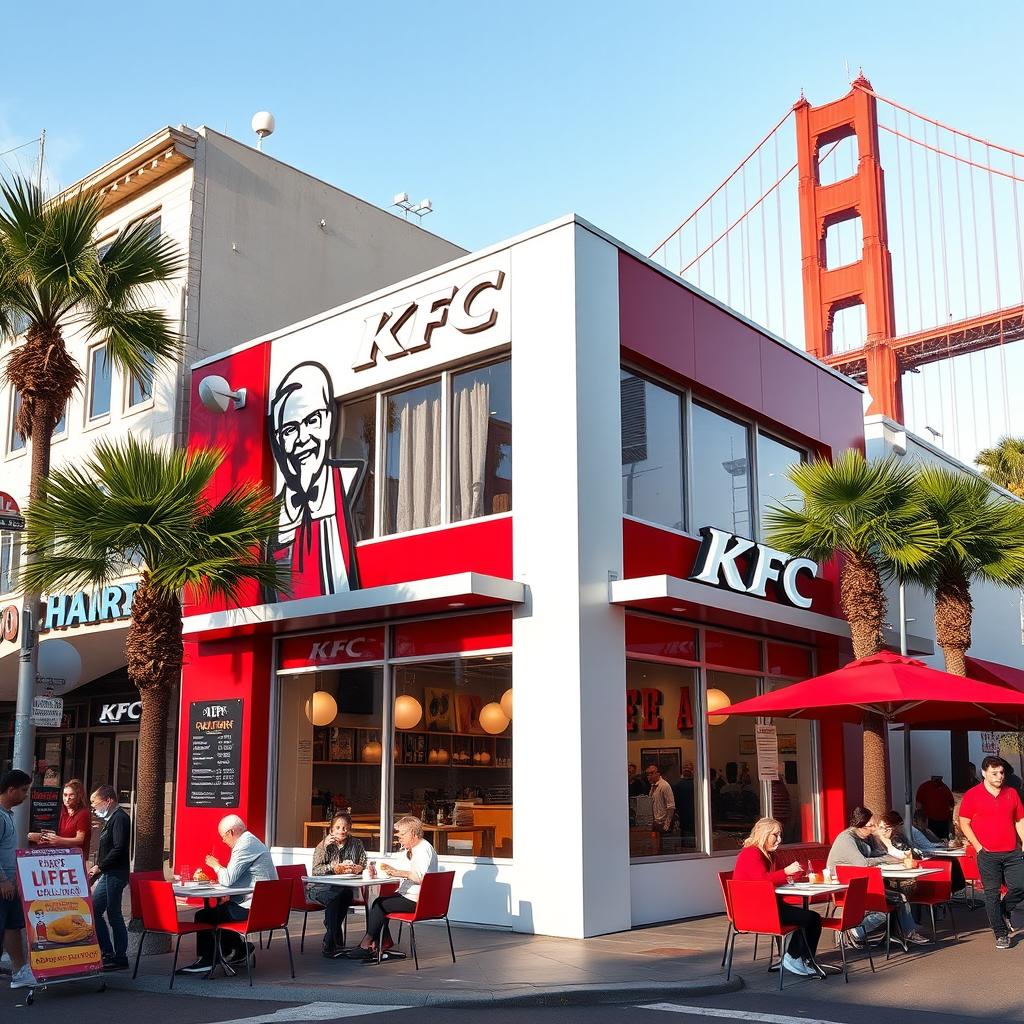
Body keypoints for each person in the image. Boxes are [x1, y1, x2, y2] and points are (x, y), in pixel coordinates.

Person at [269, 361, 367, 599]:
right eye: (290, 430)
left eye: (312, 420)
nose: (302, 438)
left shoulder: (347, 478)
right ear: (279, 440)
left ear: (328, 421)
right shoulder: (271, 514)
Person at [178, 814, 278, 973]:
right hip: (268, 907)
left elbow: (228, 879)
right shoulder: (252, 841)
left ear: (231, 832)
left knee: (205, 916)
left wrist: (216, 865)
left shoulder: (244, 845)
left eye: (223, 836)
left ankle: (207, 960)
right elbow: (241, 879)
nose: (223, 841)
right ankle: (240, 950)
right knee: (221, 911)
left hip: (257, 910)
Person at [826, 806, 929, 946]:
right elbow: (863, 863)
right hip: (846, 888)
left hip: (862, 883)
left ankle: (902, 932)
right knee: (894, 900)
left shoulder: (865, 838)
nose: (873, 829)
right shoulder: (846, 839)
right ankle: (857, 931)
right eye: (870, 826)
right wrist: (888, 859)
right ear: (860, 825)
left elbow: (879, 853)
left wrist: (892, 854)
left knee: (897, 897)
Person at [733, 817, 820, 977]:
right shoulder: (751, 853)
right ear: (763, 835)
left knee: (810, 918)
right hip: (755, 911)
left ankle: (802, 959)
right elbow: (763, 880)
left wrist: (794, 874)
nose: (779, 839)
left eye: (780, 835)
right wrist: (786, 872)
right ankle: (794, 957)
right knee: (810, 919)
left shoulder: (769, 854)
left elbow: (776, 877)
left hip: (768, 905)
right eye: (775, 835)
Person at [347, 816, 438, 960]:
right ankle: (381, 942)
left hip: (418, 901)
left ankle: (367, 944)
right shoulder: (415, 849)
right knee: (379, 903)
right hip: (414, 897)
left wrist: (398, 873)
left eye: (402, 834)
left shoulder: (422, 850)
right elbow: (405, 870)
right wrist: (387, 871)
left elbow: (420, 877)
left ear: (413, 834)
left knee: (379, 905)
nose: (399, 838)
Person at [957, 755, 1024, 949]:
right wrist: (978, 847)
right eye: (994, 773)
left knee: (1020, 886)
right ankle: (1000, 933)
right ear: (984, 773)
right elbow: (964, 822)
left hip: (1012, 851)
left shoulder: (1011, 793)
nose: (999, 776)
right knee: (991, 894)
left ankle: (1002, 910)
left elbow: (1019, 819)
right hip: (987, 853)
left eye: (1001, 772)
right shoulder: (973, 795)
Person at [306, 812, 367, 957]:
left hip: (345, 887)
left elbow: (363, 864)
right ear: (331, 830)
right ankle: (332, 935)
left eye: (345, 827)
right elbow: (316, 871)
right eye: (338, 827)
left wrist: (358, 868)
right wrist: (334, 868)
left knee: (345, 894)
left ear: (350, 828)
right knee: (335, 897)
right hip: (321, 888)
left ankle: (331, 931)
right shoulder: (324, 845)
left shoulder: (356, 843)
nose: (342, 831)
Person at [88, 785, 131, 971]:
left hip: (115, 874)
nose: (93, 807)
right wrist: (99, 869)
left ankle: (120, 956)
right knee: (94, 910)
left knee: (114, 914)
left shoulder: (120, 818)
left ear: (108, 800)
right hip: (108, 873)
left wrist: (100, 866)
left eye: (95, 802)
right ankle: (107, 951)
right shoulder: (111, 819)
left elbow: (119, 848)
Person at [0, 770, 33, 989]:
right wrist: (2, 880)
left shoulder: (7, 815)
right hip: (4, 884)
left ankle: (20, 971)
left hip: (10, 883)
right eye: (23, 790)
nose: (26, 795)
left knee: (12, 926)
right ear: (11, 790)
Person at [28, 779, 91, 860]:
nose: (67, 799)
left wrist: (59, 840)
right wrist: (41, 836)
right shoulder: (60, 810)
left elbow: (80, 840)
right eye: (65, 795)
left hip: (75, 857)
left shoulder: (83, 813)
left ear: (79, 796)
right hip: (59, 855)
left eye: (71, 795)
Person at [915, 774, 955, 839]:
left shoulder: (945, 788)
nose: (938, 780)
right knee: (931, 839)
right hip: (930, 820)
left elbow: (951, 804)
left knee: (944, 840)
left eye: (939, 778)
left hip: (944, 821)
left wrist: (951, 820)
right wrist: (921, 819)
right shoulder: (924, 787)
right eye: (936, 778)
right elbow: (918, 804)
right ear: (932, 778)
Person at [646, 763, 675, 833]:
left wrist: (667, 824)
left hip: (663, 823)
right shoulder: (653, 786)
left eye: (652, 773)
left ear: (658, 774)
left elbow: (671, 806)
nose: (649, 776)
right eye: (648, 774)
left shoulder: (664, 786)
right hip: (655, 823)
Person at [672, 764, 696, 843]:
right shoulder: (697, 784)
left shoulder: (677, 785)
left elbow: (674, 802)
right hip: (695, 816)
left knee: (685, 838)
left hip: (683, 815)